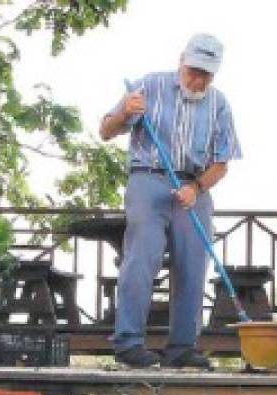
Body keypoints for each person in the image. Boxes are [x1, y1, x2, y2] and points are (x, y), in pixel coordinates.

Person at [99, 33, 241, 369]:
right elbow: (106, 130)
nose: (197, 79)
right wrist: (123, 113)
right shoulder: (149, 85)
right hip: (148, 178)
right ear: (181, 61)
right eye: (193, 70)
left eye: (206, 74)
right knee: (141, 258)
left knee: (193, 265)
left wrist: (197, 188)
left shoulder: (219, 104)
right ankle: (129, 343)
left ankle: (182, 348)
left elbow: (222, 162)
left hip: (194, 186)